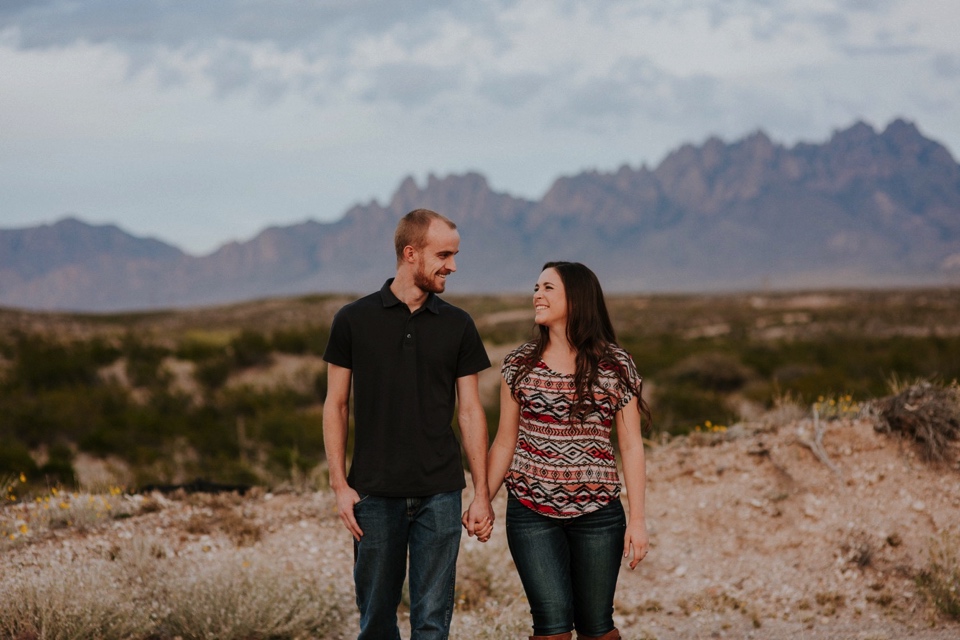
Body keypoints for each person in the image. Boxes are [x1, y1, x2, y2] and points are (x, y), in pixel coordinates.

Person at [322, 208, 494, 640]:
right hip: (374, 495)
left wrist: (482, 493)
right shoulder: (352, 319)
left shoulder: (458, 324)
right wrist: (340, 486)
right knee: (376, 622)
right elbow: (336, 405)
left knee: (433, 624)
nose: (452, 266)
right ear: (410, 253)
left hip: (441, 494)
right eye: (444, 255)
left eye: (453, 255)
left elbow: (470, 410)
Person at [481, 261, 651, 640]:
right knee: (552, 624)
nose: (537, 295)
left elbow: (631, 446)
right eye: (536, 288)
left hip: (599, 514)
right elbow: (505, 441)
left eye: (548, 288)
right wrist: (483, 499)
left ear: (576, 299)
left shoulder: (616, 365)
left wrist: (637, 521)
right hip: (530, 511)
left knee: (596, 625)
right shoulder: (519, 364)